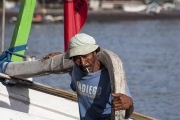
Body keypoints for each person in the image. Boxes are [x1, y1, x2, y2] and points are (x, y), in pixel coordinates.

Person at [44, 33, 134, 120]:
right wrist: (58, 57)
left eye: (85, 56)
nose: (83, 63)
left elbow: (126, 114)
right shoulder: (76, 69)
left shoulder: (112, 75)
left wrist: (129, 104)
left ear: (94, 52)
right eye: (77, 58)